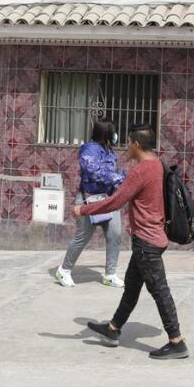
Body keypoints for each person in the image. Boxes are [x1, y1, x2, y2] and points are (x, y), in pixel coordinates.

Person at [73, 125, 188, 360]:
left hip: (148, 241)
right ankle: (114, 329)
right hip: (151, 237)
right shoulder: (157, 164)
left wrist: (83, 210)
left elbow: (115, 202)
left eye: (128, 142)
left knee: (159, 290)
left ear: (136, 144)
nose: (126, 146)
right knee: (132, 285)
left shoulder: (140, 171)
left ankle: (176, 341)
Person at [55, 118, 126, 288]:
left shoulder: (109, 150)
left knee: (115, 235)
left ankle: (110, 274)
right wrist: (120, 177)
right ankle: (64, 270)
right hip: (89, 200)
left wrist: (121, 178)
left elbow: (111, 172)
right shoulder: (89, 149)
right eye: (113, 131)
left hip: (108, 199)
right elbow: (94, 172)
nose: (116, 135)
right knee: (82, 237)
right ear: (106, 132)